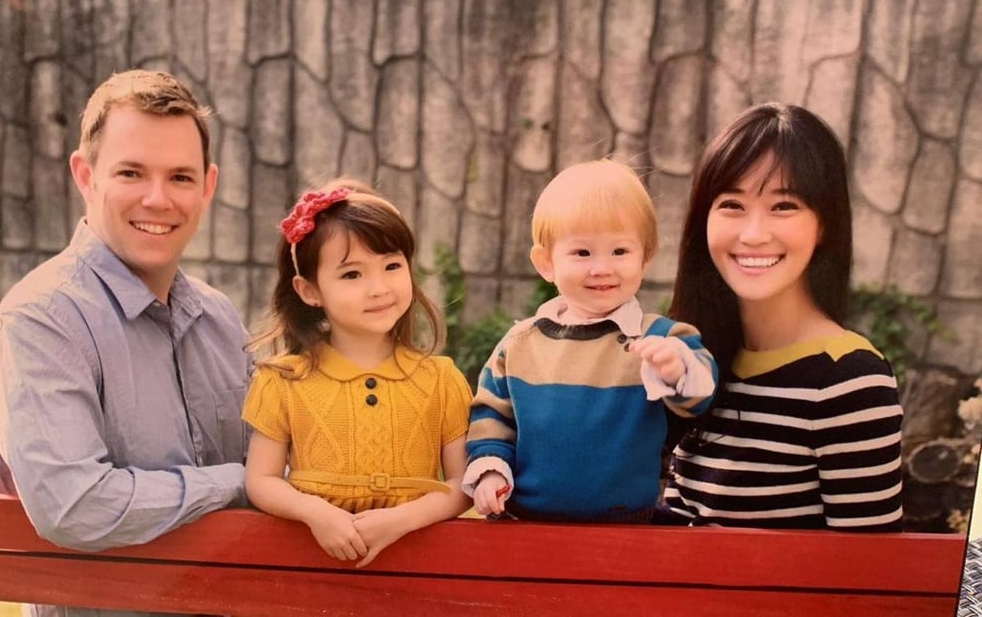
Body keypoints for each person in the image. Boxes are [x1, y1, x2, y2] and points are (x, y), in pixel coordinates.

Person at [0, 69, 252, 617]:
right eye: (131, 172)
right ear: (86, 176)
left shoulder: (220, 318)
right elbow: (74, 504)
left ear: (208, 186)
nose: (158, 199)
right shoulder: (41, 318)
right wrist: (238, 484)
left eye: (180, 177)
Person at [662, 103, 904, 531]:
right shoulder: (698, 357)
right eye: (732, 205)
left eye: (784, 206)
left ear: (823, 224)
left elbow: (868, 579)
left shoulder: (849, 380)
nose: (754, 234)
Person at [462, 159, 718, 522]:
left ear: (645, 257)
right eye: (582, 253)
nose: (602, 268)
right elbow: (491, 416)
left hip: (629, 529)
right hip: (525, 526)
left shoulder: (662, 339)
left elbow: (701, 397)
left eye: (620, 251)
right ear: (546, 262)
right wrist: (490, 468)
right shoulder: (520, 344)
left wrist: (678, 369)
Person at [242, 179, 472, 568]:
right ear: (309, 290)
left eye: (392, 266)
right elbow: (261, 480)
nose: (379, 288)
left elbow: (463, 485)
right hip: (309, 569)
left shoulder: (441, 380)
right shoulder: (281, 381)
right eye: (352, 274)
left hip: (419, 571)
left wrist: (402, 519)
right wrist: (317, 514)